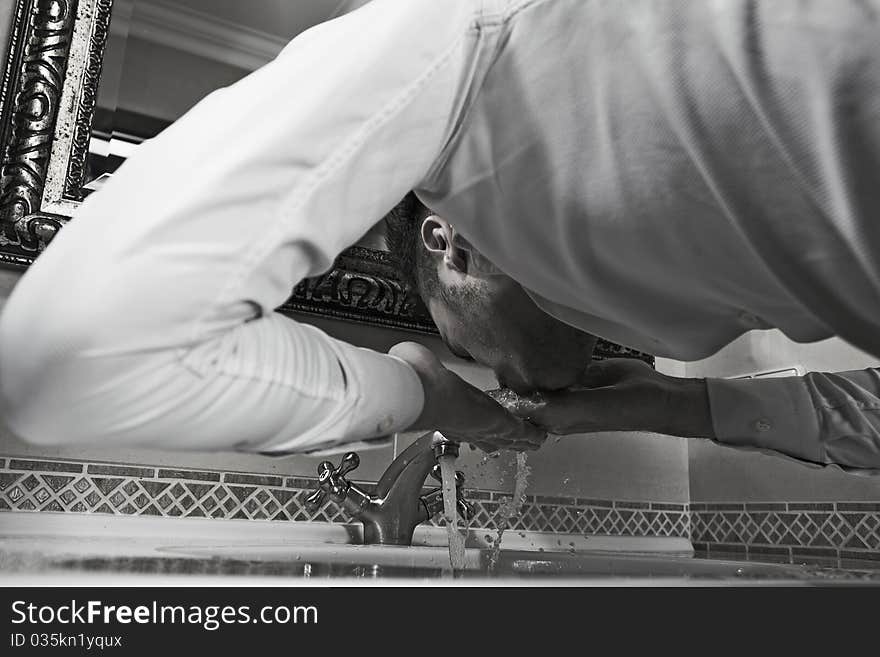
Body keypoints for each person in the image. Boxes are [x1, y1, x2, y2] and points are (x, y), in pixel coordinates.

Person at [1, 0, 879, 473]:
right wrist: (678, 406)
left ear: (450, 247)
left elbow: (71, 359)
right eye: (478, 372)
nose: (502, 379)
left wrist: (424, 393)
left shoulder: (466, 39)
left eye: (466, 347)